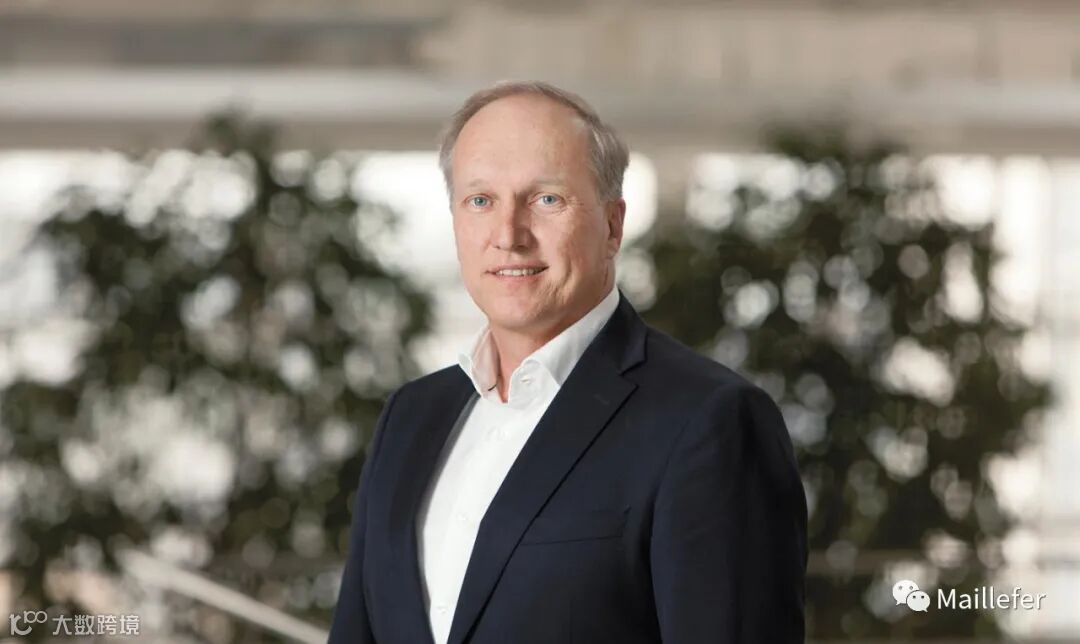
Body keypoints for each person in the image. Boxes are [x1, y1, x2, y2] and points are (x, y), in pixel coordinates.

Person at [328, 80, 807, 644]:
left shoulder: (710, 421)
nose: (509, 235)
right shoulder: (410, 417)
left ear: (612, 225)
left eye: (546, 200)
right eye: (480, 201)